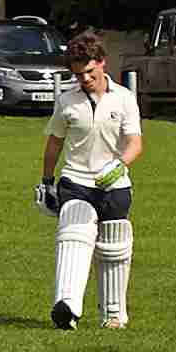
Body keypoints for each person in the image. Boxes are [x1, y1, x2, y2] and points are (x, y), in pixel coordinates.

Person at [35, 30, 144, 330]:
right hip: (76, 180)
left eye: (88, 72)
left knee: (114, 246)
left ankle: (113, 315)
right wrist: (47, 180)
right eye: (78, 74)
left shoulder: (124, 98)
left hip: (113, 183)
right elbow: (54, 142)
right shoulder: (67, 101)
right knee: (74, 233)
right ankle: (67, 307)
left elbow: (135, 143)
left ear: (102, 63)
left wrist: (120, 165)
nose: (84, 79)